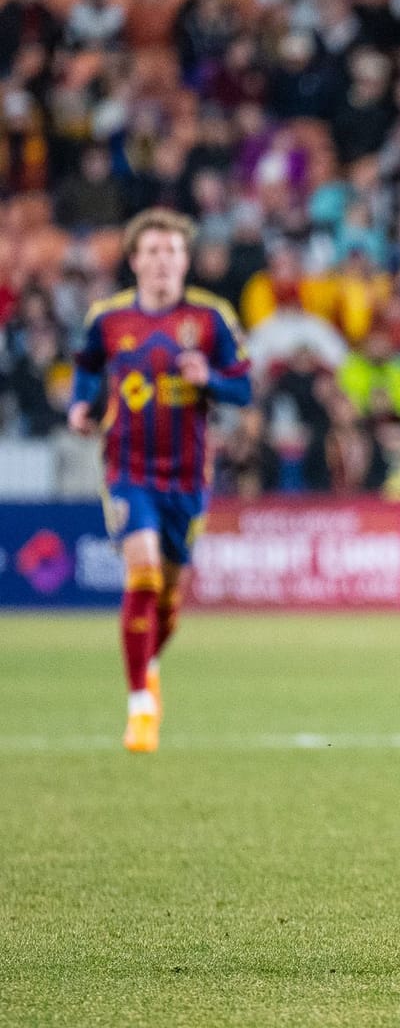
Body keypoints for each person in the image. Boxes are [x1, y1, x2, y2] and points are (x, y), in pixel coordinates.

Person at [68, 210, 252, 753]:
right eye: (151, 252)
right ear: (134, 262)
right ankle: (139, 706)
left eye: (171, 251)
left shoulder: (211, 318)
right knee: (143, 574)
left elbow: (244, 389)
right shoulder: (107, 319)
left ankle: (144, 667)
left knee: (169, 600)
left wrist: (211, 380)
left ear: (185, 261)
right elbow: (85, 367)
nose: (161, 261)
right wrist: (81, 405)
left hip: (188, 477)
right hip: (127, 470)